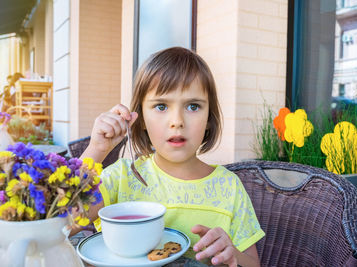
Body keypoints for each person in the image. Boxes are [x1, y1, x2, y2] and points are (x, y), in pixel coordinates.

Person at [77, 47, 265, 267]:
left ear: (209, 119)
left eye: (193, 106)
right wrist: (96, 149)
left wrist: (231, 254)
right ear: (141, 119)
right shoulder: (123, 178)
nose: (177, 121)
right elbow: (62, 219)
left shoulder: (228, 187)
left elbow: (253, 264)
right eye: (161, 106)